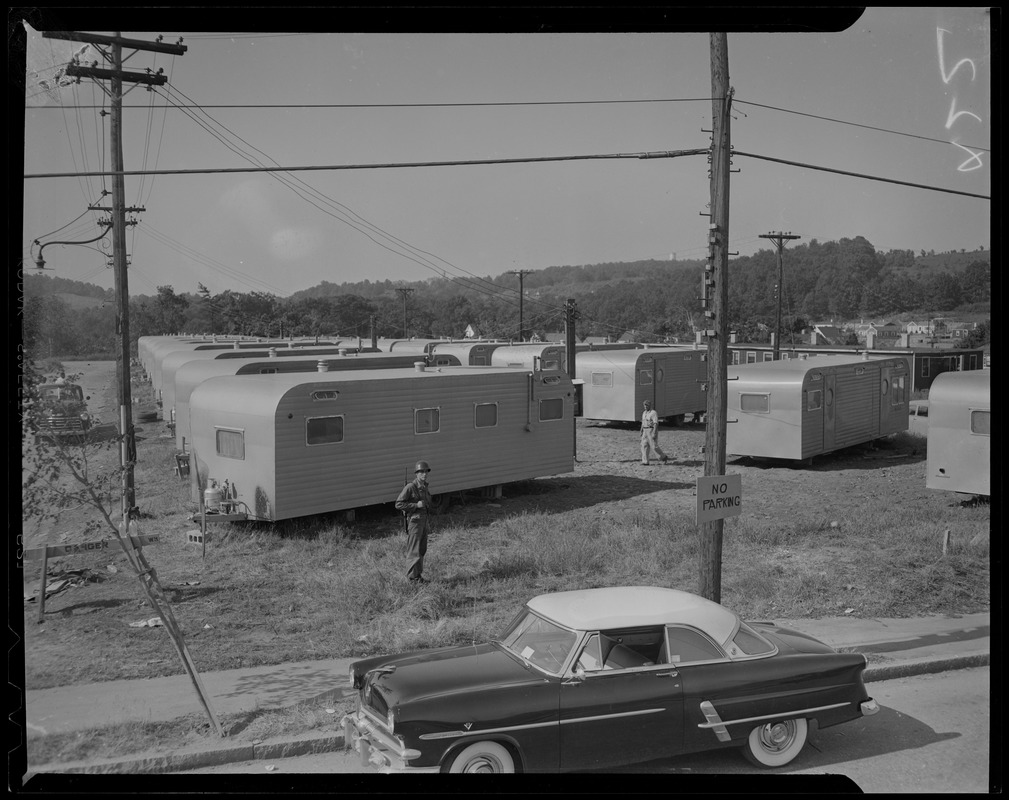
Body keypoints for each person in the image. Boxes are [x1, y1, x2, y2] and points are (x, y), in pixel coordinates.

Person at [395, 461, 434, 584]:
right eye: (421, 472)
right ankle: (412, 580)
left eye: (426, 471)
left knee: (422, 550)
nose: (424, 474)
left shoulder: (424, 486)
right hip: (415, 523)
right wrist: (415, 505)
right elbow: (398, 504)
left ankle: (418, 576)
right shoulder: (411, 487)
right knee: (414, 551)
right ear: (416, 473)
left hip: (423, 522)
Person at [640, 400, 669, 465]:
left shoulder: (653, 413)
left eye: (646, 405)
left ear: (650, 405)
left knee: (654, 446)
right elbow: (642, 422)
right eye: (644, 405)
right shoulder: (644, 413)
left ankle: (663, 457)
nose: (645, 406)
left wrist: (654, 432)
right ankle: (645, 461)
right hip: (645, 430)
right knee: (644, 445)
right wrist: (641, 430)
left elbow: (655, 423)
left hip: (651, 430)